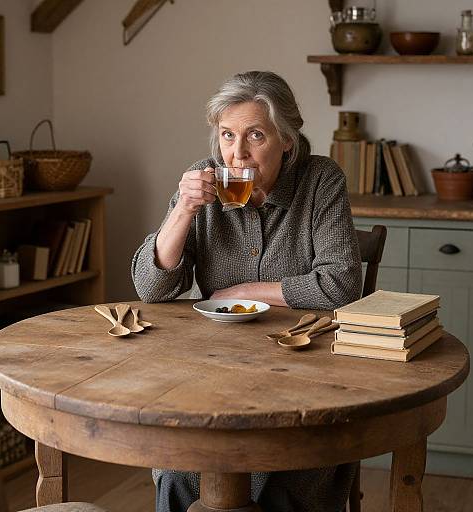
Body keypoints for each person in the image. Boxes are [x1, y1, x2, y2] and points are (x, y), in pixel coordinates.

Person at [131, 70, 362, 512]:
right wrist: (182, 211)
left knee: (283, 485)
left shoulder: (320, 181)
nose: (238, 154)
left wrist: (244, 290)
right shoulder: (205, 179)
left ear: (287, 140)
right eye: (227, 135)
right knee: (181, 476)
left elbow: (340, 285)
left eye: (255, 135)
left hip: (307, 383)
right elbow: (150, 287)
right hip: (216, 379)